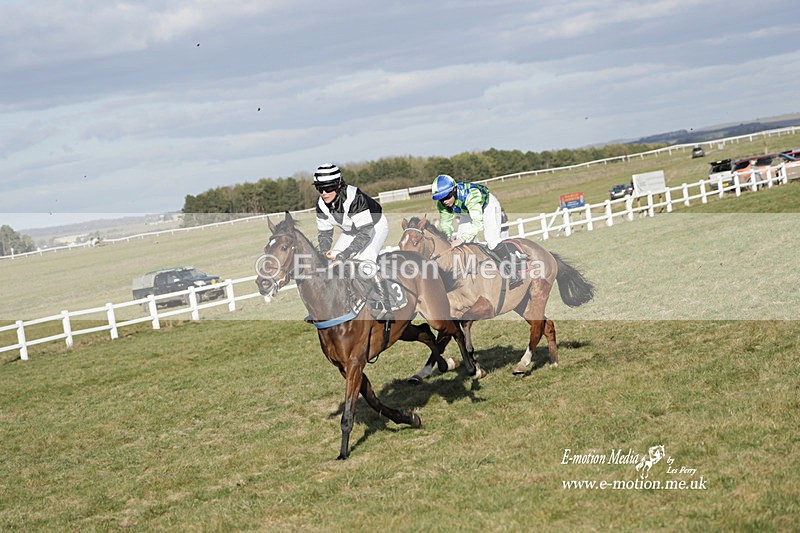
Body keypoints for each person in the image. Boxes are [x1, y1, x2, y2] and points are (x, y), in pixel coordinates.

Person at [314, 163, 393, 320]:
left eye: (328, 188)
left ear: (338, 185)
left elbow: (365, 232)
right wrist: (324, 253)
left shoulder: (354, 197)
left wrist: (346, 254)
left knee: (365, 262)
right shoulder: (320, 204)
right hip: (351, 231)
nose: (323, 193)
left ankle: (385, 304)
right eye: (319, 188)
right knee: (331, 264)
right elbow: (324, 233)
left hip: (374, 226)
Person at [431, 174, 525, 285]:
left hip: (486, 206)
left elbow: (477, 223)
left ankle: (513, 272)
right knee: (460, 245)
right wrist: (447, 238)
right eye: (441, 199)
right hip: (466, 212)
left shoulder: (471, 195)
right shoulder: (442, 205)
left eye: (446, 197)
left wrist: (462, 239)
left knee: (491, 240)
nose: (444, 201)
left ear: (454, 190)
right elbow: (446, 223)